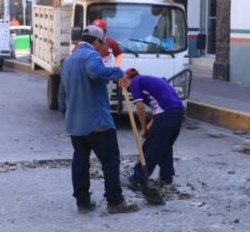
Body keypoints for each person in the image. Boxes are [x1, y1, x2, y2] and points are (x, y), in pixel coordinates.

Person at [58, 24, 138, 214]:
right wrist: (119, 73)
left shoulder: (69, 60)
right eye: (102, 43)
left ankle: (83, 202)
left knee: (80, 162)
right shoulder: (91, 55)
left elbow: (62, 96)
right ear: (96, 41)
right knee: (110, 162)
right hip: (97, 122)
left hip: (75, 124)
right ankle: (115, 201)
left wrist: (68, 116)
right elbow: (95, 72)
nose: (103, 47)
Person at [123, 68, 184, 190]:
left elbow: (140, 107)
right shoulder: (153, 80)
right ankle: (166, 178)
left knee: (151, 147)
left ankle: (137, 179)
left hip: (165, 114)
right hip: (178, 113)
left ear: (128, 80)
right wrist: (149, 126)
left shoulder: (135, 82)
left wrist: (144, 128)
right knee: (165, 146)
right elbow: (160, 107)